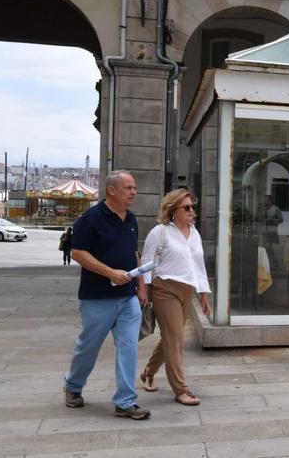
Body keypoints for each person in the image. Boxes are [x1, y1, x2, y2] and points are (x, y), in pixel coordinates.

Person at [62, 170, 151, 420]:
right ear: (112, 190)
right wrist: (110, 272)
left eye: (134, 188)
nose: (134, 192)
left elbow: (134, 254)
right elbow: (78, 253)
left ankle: (125, 401)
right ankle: (73, 385)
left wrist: (141, 287)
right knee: (88, 347)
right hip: (97, 298)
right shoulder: (90, 218)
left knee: (128, 348)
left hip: (128, 297)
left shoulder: (131, 219)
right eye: (128, 188)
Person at [139, 189, 211, 406]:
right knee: (176, 340)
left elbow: (199, 266)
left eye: (192, 207)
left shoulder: (194, 233)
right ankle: (180, 389)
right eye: (186, 207)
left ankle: (148, 372)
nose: (191, 211)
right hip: (164, 289)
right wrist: (144, 291)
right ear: (173, 211)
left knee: (171, 337)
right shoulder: (159, 232)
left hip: (186, 290)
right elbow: (146, 263)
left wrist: (204, 295)